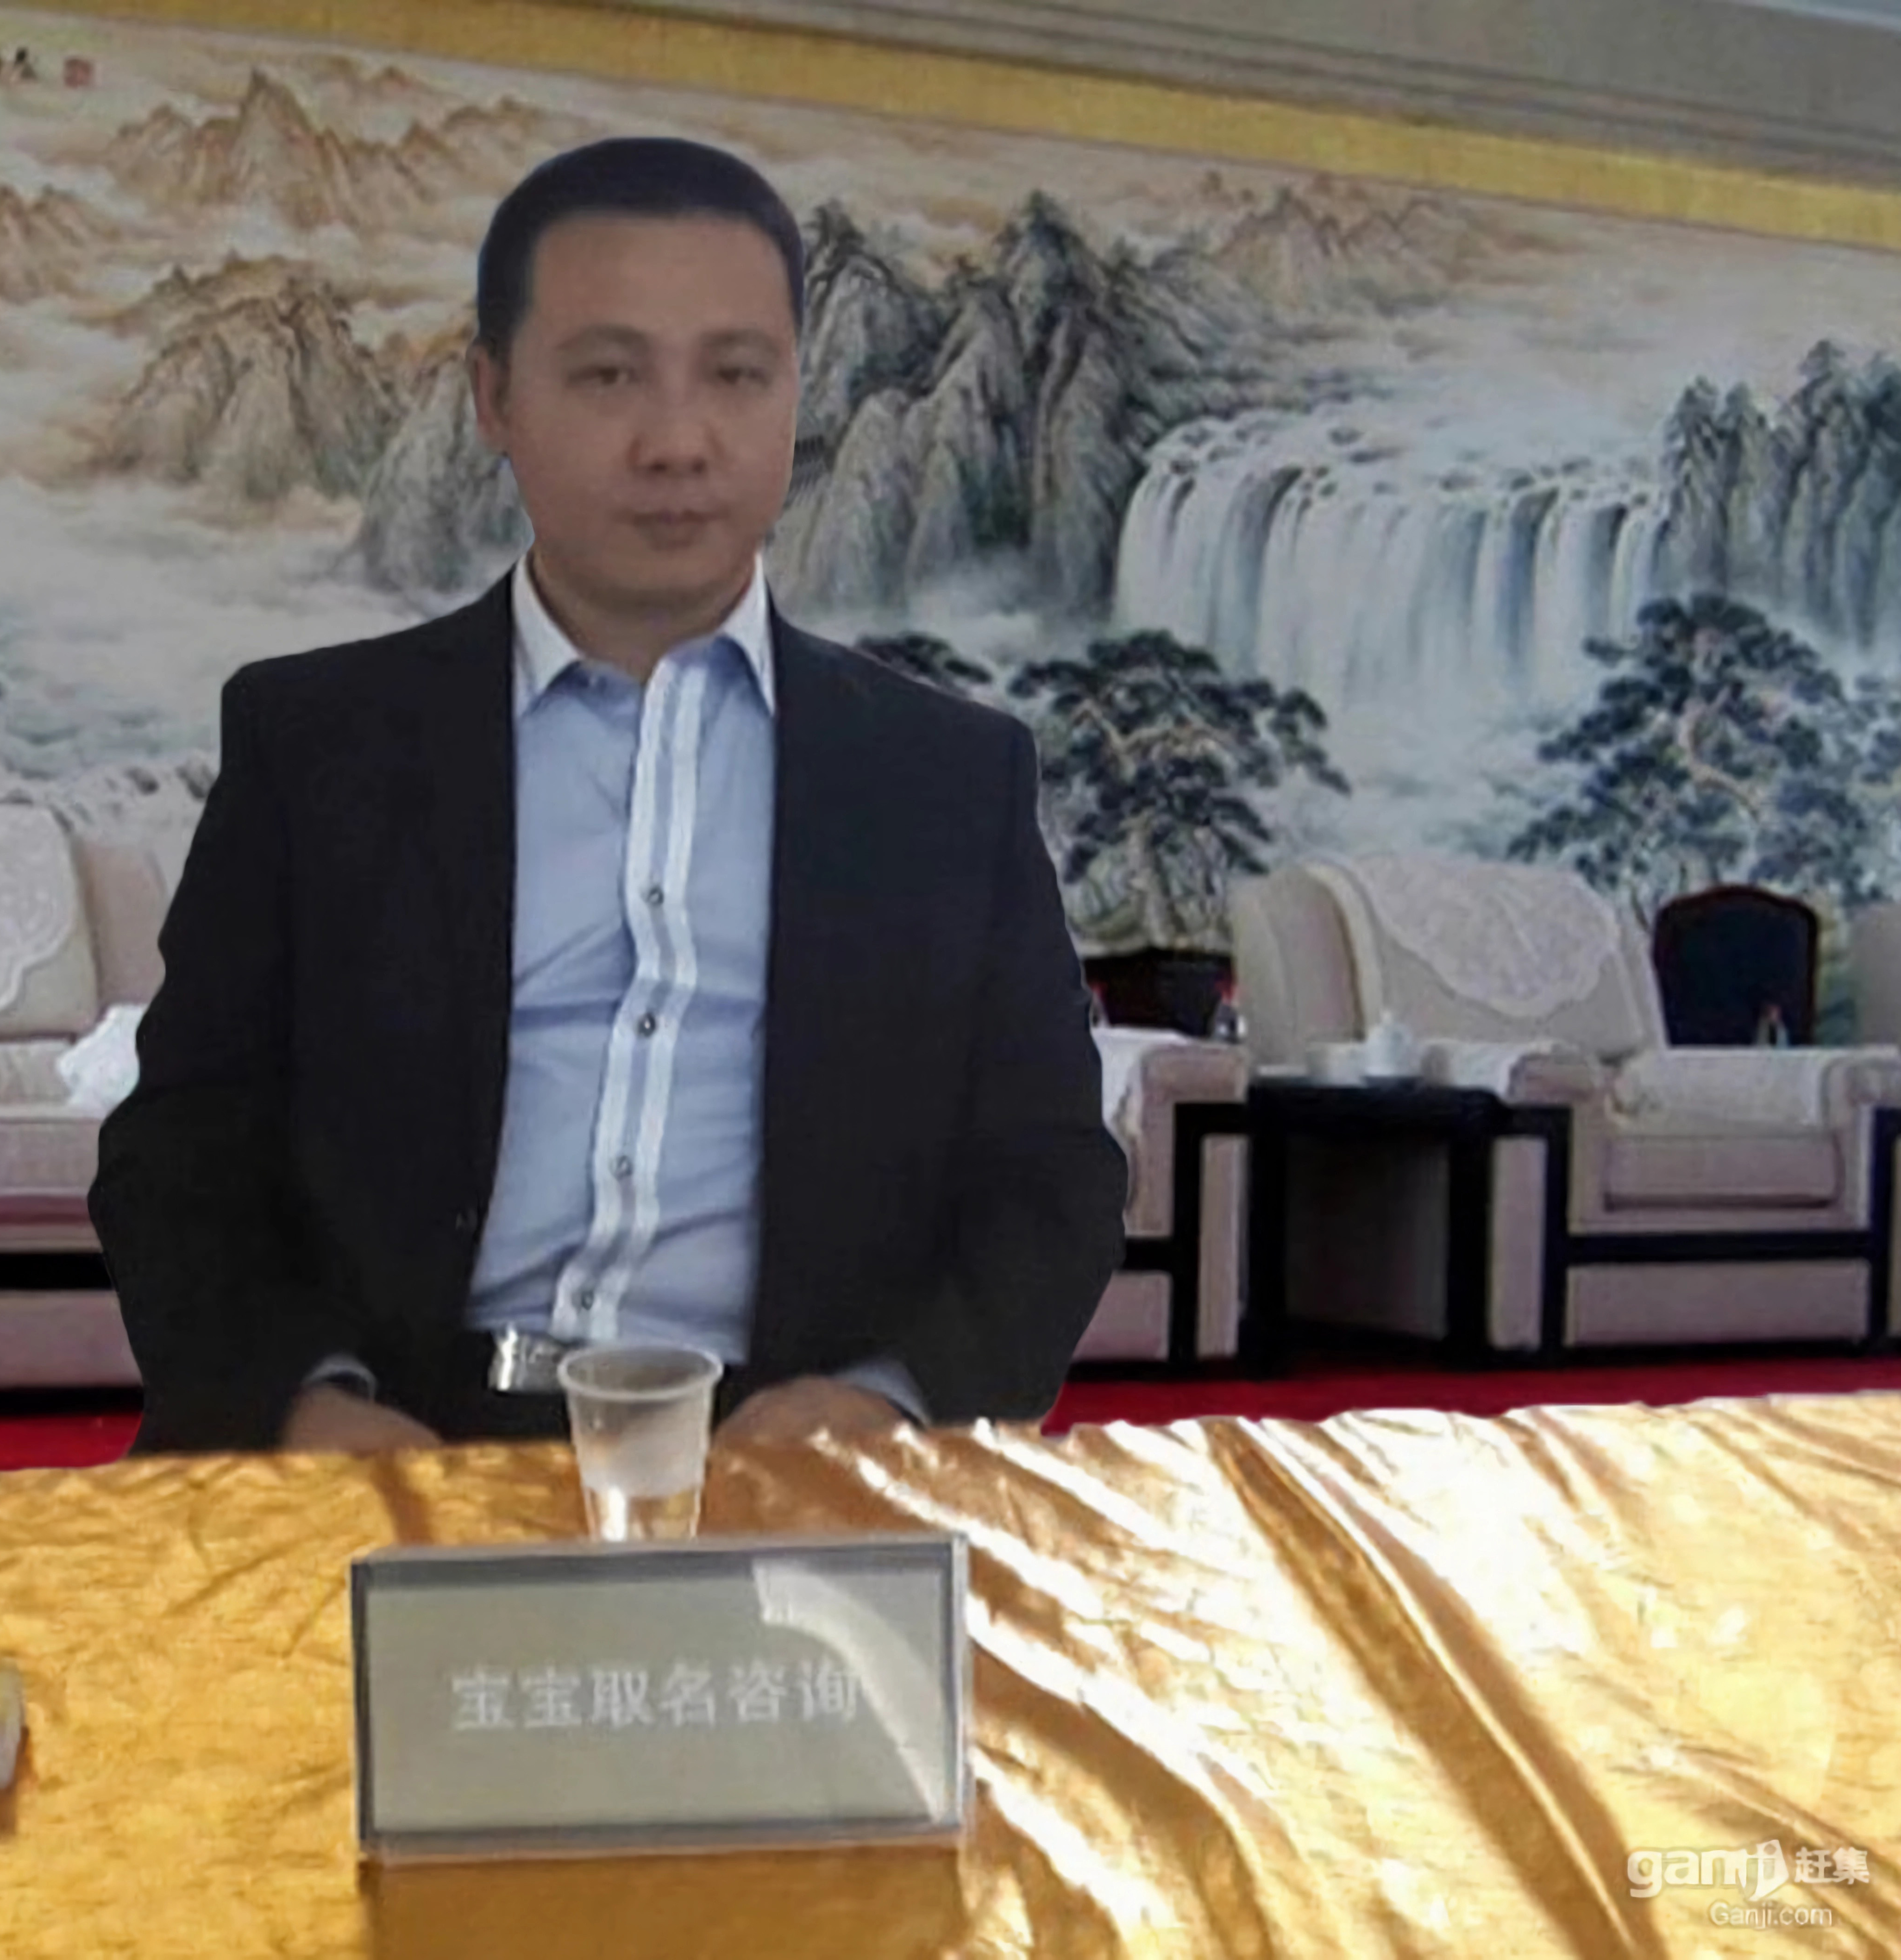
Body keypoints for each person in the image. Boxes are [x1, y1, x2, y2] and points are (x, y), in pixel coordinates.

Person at [91, 136, 1127, 1456]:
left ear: (797, 393)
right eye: (608, 375)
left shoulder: (949, 782)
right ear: (493, 397)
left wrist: (883, 1399)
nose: (678, 443)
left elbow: (1052, 1180)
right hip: (389, 1433)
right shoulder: (316, 746)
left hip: (787, 1449)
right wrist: (303, 1404)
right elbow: (182, 1150)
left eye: (737, 375)